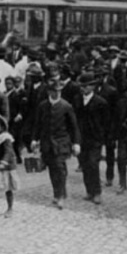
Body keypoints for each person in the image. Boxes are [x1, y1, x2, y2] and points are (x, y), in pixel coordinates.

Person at [32, 80, 80, 210]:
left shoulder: (66, 106)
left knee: (60, 168)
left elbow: (74, 127)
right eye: (54, 91)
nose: (57, 93)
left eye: (59, 91)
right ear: (49, 92)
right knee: (52, 168)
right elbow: (37, 124)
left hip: (61, 143)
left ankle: (61, 196)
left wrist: (76, 143)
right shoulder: (43, 106)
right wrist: (34, 140)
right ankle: (56, 193)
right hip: (47, 142)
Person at [74, 72, 109, 205]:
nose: (82, 88)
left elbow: (106, 122)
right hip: (81, 138)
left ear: (92, 87)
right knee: (85, 165)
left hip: (95, 139)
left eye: (85, 86)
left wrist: (103, 138)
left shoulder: (101, 102)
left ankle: (97, 192)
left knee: (93, 164)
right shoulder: (77, 99)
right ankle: (89, 191)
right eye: (81, 86)